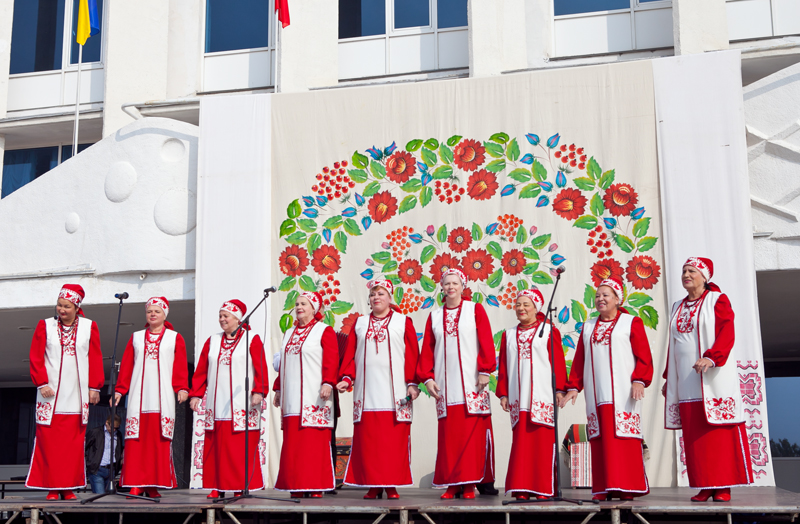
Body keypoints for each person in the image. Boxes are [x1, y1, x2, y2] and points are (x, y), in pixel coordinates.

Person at [662, 258, 753, 502]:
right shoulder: (677, 306)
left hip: (713, 377)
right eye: (684, 271)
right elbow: (674, 345)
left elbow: (727, 331)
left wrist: (711, 358)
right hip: (687, 380)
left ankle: (722, 486)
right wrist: (668, 378)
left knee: (717, 434)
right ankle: (705, 484)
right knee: (695, 436)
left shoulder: (717, 299)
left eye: (692, 271)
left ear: (705, 276)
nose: (686, 274)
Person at [559, 278, 653, 501]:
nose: (600, 299)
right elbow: (580, 359)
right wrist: (574, 386)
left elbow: (644, 355)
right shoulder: (588, 326)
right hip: (597, 393)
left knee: (623, 438)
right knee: (601, 438)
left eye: (606, 295)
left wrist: (639, 380)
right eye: (598, 295)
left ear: (617, 299)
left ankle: (627, 486)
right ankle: (604, 487)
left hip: (623, 393)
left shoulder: (631, 322)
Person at [336, 280, 420, 499]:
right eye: (373, 294)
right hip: (367, 392)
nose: (376, 298)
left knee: (392, 441)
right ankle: (373, 485)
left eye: (381, 294)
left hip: (395, 392)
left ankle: (391, 485)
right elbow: (351, 354)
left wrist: (412, 383)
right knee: (370, 440)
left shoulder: (403, 322)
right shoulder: (361, 323)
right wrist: (347, 377)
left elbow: (412, 354)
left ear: (390, 297)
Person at [417, 268, 496, 500]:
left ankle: (470, 483)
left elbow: (486, 341)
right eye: (447, 283)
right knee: (449, 438)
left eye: (455, 283)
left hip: (472, 384)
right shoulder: (434, 315)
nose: (451, 287)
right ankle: (452, 483)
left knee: (472, 436)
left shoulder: (475, 310)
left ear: (463, 286)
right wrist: (428, 378)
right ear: (441, 287)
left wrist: (485, 370)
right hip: (446, 386)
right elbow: (427, 351)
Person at [27, 284, 104, 500]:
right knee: (50, 443)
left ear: (77, 307)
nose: (62, 310)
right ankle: (52, 487)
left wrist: (94, 387)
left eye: (67, 306)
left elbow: (95, 358)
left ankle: (68, 487)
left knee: (72, 444)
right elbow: (35, 356)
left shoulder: (90, 327)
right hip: (50, 395)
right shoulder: (45, 326)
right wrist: (41, 383)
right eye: (59, 305)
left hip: (77, 395)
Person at [190, 299, 267, 499]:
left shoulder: (252, 339)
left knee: (239, 448)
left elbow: (260, 367)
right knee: (217, 447)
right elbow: (201, 371)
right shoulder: (212, 341)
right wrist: (196, 394)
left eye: (226, 316)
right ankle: (218, 485)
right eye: (220, 316)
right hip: (217, 404)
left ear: (238, 318)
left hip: (243, 402)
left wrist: (259, 390)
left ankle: (241, 485)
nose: (222, 319)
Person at [114, 297, 189, 498]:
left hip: (162, 397)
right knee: (136, 441)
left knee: (157, 441)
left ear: (165, 314)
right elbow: (128, 365)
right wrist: (120, 390)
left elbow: (180, 365)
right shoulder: (136, 337)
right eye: (149, 312)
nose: (152, 314)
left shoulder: (175, 338)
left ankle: (153, 484)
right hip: (139, 397)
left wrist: (181, 387)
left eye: (157, 311)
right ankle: (136, 483)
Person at [496, 289, 567, 501]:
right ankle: (522, 488)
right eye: (518, 305)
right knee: (521, 444)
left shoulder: (548, 330)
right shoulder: (508, 335)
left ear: (537, 307)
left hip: (542, 395)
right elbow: (504, 368)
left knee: (542, 443)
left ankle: (542, 488)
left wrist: (559, 389)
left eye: (526, 304)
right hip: (519, 395)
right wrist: (503, 393)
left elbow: (558, 363)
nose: (521, 308)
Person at [273, 291, 338, 498]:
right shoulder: (289, 332)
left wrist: (328, 382)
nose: (299, 307)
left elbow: (331, 359)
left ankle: (316, 485)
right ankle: (295, 484)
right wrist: (278, 389)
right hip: (292, 397)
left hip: (314, 395)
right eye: (297, 304)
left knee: (313, 444)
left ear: (314, 308)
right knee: (294, 444)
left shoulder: (323, 331)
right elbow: (283, 363)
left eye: (304, 303)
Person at [85, 414, 123, 494]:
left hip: (111, 470)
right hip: (97, 470)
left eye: (116, 428)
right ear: (106, 423)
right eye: (112, 427)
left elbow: (118, 450)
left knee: (110, 498)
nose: (114, 430)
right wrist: (90, 462)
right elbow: (83, 447)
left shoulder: (118, 435)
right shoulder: (95, 432)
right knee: (100, 496)